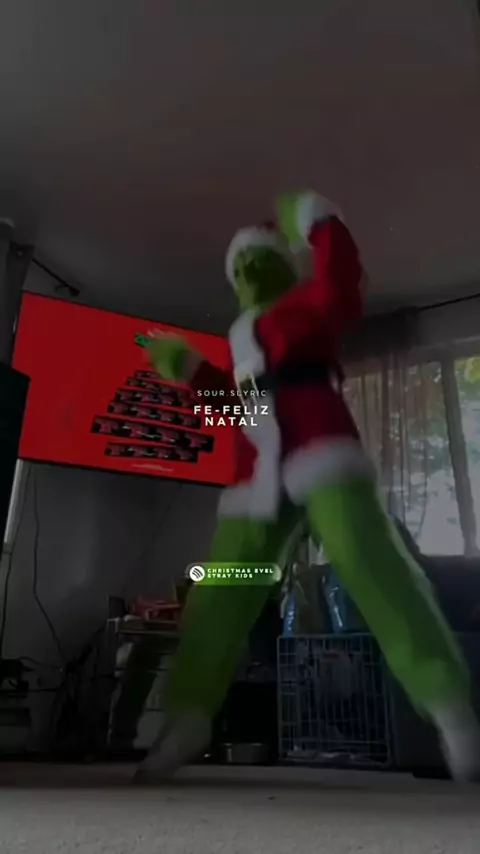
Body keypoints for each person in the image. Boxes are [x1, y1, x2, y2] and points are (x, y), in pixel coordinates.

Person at [135, 190, 480, 783]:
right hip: (256, 478)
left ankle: (448, 703)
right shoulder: (238, 340)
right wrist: (189, 370)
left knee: (369, 562)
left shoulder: (303, 307)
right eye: (240, 266)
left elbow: (340, 289)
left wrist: (320, 223)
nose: (248, 271)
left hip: (323, 452)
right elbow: (232, 410)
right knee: (224, 589)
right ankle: (188, 717)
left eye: (256, 260)